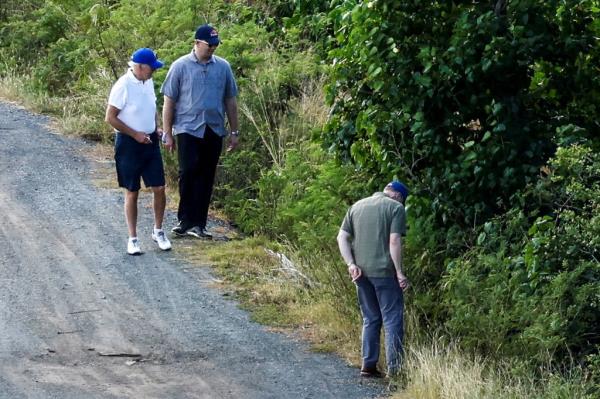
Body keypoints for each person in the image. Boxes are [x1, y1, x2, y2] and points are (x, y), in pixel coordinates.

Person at [161, 23, 239, 239]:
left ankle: (199, 224)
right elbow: (169, 101)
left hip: (213, 128)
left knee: (206, 174)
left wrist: (234, 131)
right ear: (196, 43)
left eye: (215, 45)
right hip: (187, 127)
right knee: (187, 171)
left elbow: (230, 100)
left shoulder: (223, 67)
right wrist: (167, 133)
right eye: (209, 44)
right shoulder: (180, 66)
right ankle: (184, 220)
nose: (212, 48)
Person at [337, 181, 410, 378]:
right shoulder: (395, 208)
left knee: (370, 319)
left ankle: (368, 365)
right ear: (398, 197)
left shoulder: (357, 206)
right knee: (392, 319)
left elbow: (341, 237)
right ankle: (395, 371)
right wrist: (399, 272)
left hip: (360, 274)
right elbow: (394, 241)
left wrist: (351, 264)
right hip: (385, 272)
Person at [105, 48, 172, 255]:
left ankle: (158, 231)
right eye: (152, 67)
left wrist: (156, 127)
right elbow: (110, 117)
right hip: (129, 143)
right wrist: (135, 134)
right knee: (132, 191)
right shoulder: (123, 86)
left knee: (159, 187)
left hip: (150, 141)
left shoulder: (148, 81)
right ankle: (133, 238)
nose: (154, 70)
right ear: (140, 67)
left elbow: (150, 108)